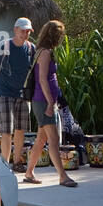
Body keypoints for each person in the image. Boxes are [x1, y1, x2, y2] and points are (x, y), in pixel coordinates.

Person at [24, 20, 77, 187]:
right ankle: (62, 176)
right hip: (43, 102)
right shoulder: (45, 53)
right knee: (53, 140)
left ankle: (29, 172)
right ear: (54, 36)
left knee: (41, 139)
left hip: (43, 101)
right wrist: (49, 103)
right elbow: (42, 80)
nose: (60, 39)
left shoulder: (42, 51)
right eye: (59, 35)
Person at [0, 17, 35, 173]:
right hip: (5, 93)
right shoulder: (3, 46)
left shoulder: (31, 48)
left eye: (28, 31)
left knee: (21, 129)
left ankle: (17, 162)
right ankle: (5, 164)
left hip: (23, 94)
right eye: (23, 31)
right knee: (6, 130)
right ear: (15, 29)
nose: (25, 34)